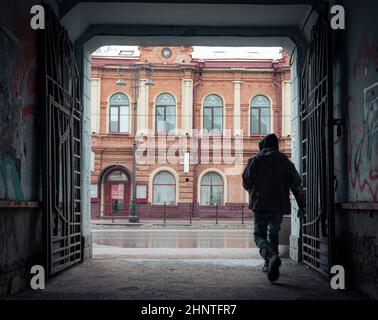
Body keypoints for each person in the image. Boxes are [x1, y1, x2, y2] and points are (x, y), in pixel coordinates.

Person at [242, 133, 306, 282]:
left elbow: (246, 182)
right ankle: (270, 262)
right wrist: (302, 207)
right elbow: (297, 186)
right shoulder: (286, 163)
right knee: (274, 234)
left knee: (259, 236)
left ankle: (270, 257)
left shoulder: (256, 161)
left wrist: (254, 190)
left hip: (260, 205)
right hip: (279, 206)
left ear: (263, 146)